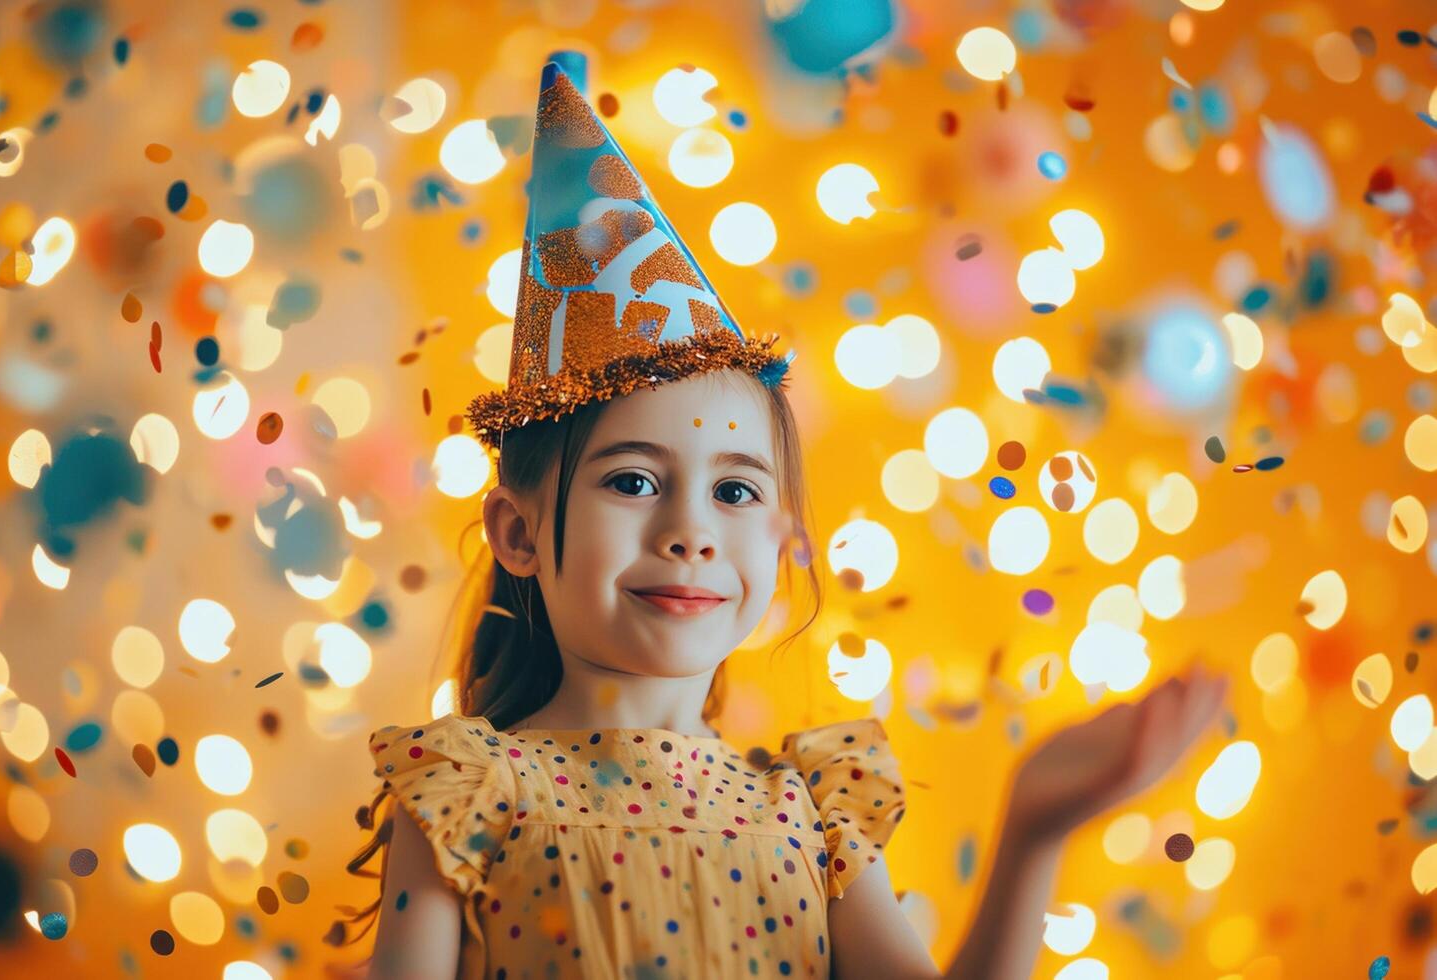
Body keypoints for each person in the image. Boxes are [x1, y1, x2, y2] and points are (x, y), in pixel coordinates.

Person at [332, 53, 1230, 980]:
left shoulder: (813, 809)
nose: (691, 532)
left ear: (780, 539)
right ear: (517, 532)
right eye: (633, 482)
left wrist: (1033, 831)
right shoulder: (466, 794)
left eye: (734, 491)